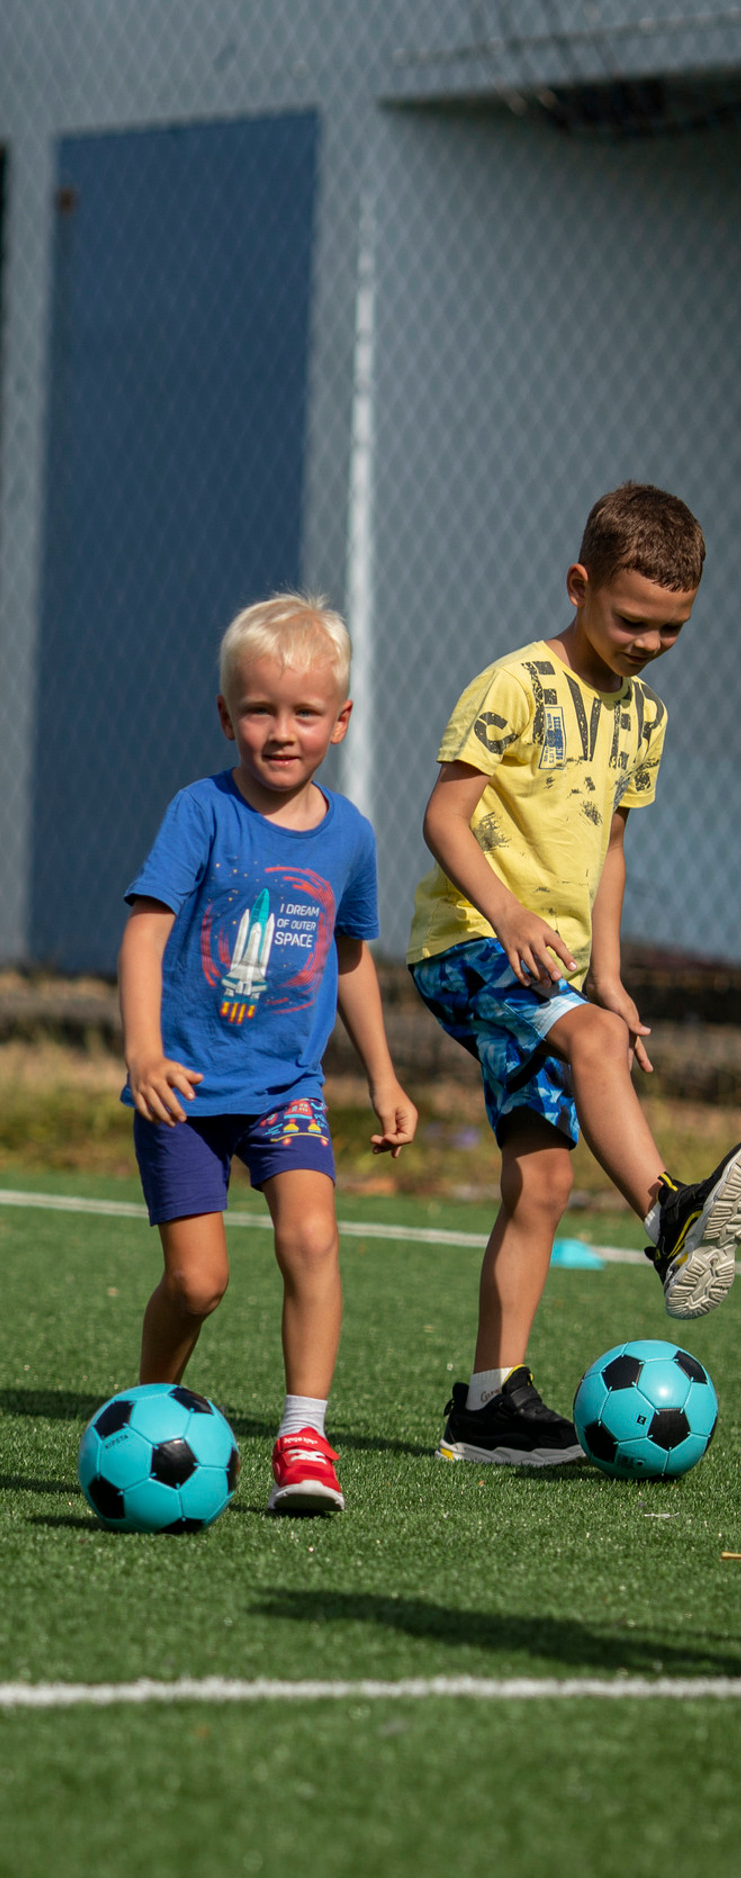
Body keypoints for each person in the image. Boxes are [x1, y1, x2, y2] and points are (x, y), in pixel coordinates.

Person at [409, 482, 741, 1466]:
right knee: (590, 1044)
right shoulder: (515, 684)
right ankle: (668, 1214)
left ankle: (488, 1407)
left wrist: (611, 974)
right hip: (472, 945)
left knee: (542, 1185)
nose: (647, 641)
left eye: (671, 628)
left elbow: (610, 851)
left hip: (555, 968)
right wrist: (507, 912)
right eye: (630, 618)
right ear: (579, 584)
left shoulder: (644, 717)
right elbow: (442, 816)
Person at [119, 594, 416, 1514]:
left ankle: (303, 1437)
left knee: (313, 1238)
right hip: (187, 1087)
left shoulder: (351, 836)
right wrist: (143, 1054)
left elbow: (353, 956)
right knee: (198, 1283)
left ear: (341, 720)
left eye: (303, 713)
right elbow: (144, 934)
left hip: (287, 1084)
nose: (280, 733)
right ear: (225, 716)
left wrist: (383, 1074)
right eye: (259, 711)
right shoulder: (200, 812)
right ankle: (150, 1404)